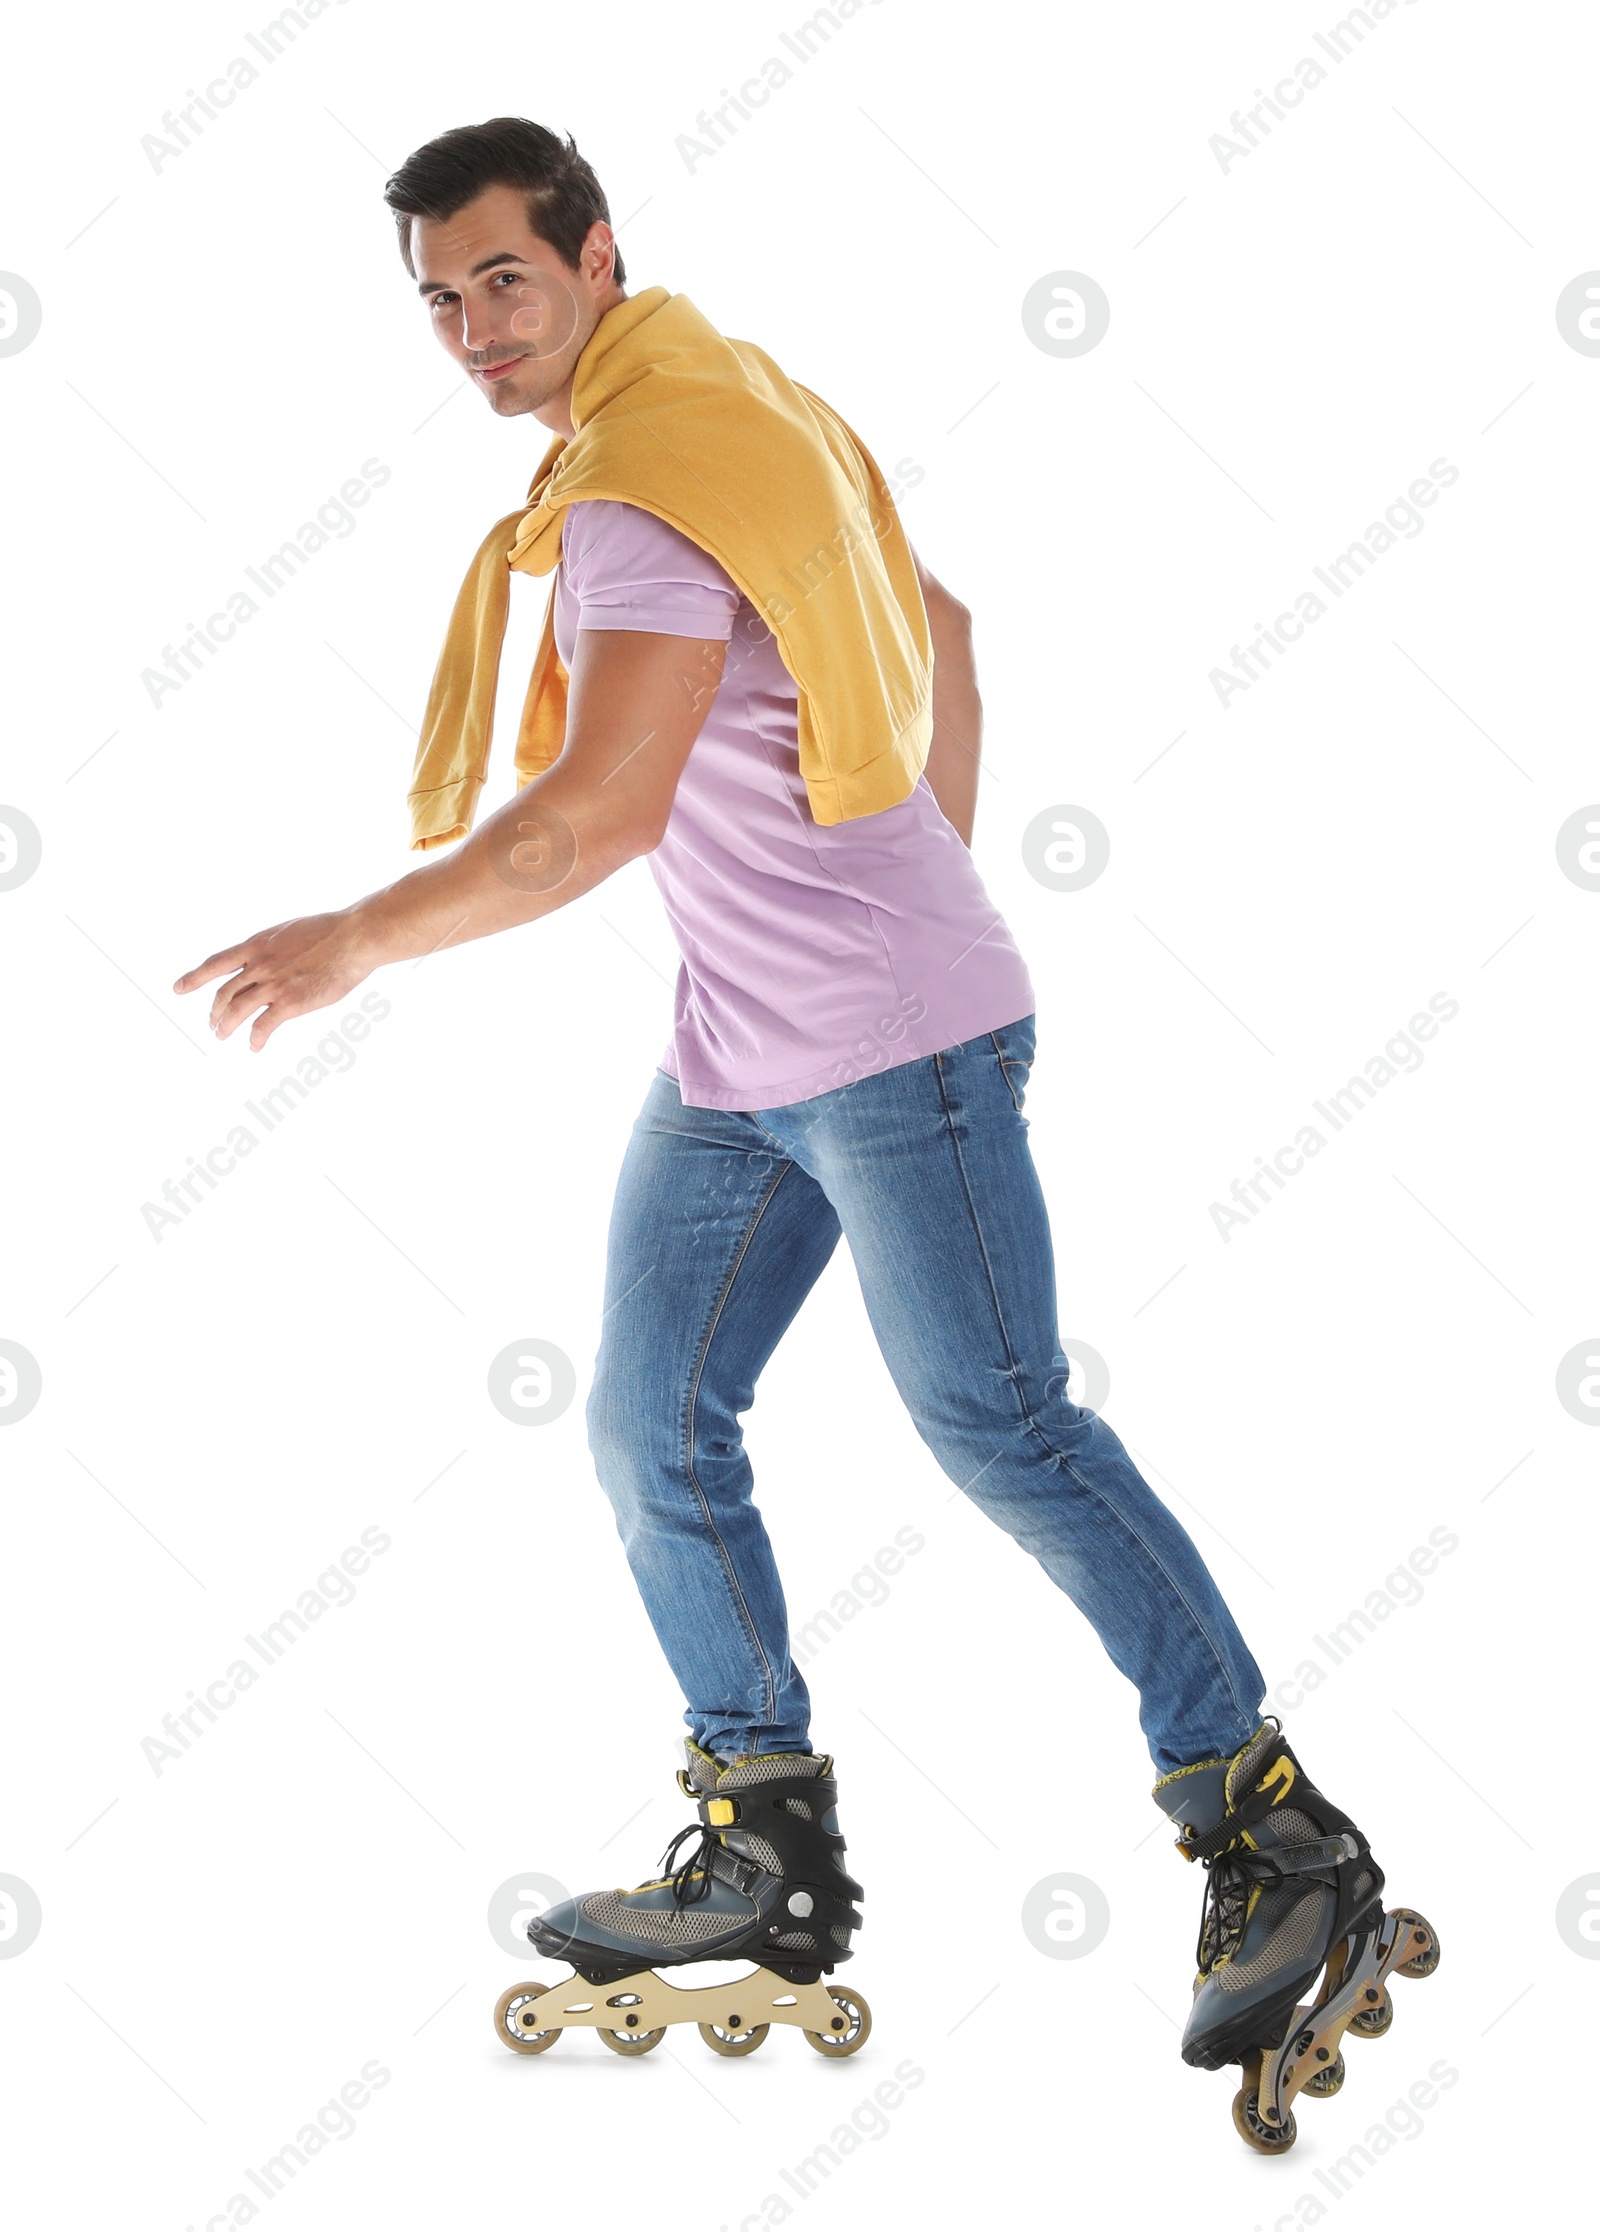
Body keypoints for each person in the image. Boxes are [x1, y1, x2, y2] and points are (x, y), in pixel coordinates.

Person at [175, 117, 1436, 2144]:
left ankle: (1270, 1832)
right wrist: (892, 867)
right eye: (435, 300)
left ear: (594, 255)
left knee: (998, 1426)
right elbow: (939, 629)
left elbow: (582, 821)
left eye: (503, 278)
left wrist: (355, 940)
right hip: (742, 1057)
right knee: (646, 1428)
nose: (472, 330)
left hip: (892, 1050)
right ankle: (760, 1840)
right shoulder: (734, 406)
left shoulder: (635, 500)